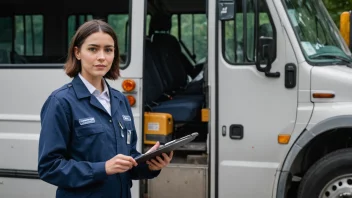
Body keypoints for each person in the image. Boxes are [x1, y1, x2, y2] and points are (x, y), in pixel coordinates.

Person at [37, 19, 173, 198]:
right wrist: (103, 168)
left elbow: (128, 158)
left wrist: (149, 165)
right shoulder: (61, 102)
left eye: (108, 50)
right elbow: (49, 167)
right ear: (77, 53)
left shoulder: (120, 100)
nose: (102, 57)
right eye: (93, 49)